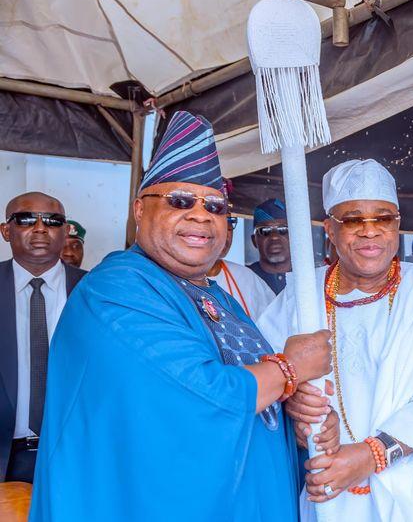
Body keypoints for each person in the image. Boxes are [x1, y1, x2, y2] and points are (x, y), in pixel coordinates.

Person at [29, 111, 336, 521]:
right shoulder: (117, 289)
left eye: (215, 206)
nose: (200, 215)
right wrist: (290, 369)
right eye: (179, 201)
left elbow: (257, 402)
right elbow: (200, 394)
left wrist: (298, 425)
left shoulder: (218, 298)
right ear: (140, 210)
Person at [257, 158, 413, 522]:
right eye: (353, 219)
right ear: (330, 228)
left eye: (383, 218)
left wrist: (372, 454)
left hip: (412, 495)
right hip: (328, 490)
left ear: (398, 224)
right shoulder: (300, 297)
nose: (369, 231)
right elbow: (263, 375)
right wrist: (292, 406)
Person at [0, 193, 86, 483]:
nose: (40, 228)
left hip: (78, 451)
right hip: (7, 456)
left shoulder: (96, 289)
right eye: (26, 219)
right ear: (6, 230)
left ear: (64, 232)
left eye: (52, 221)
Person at [208, 214, 276, 320]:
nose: (225, 234)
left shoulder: (247, 277)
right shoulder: (174, 282)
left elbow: (275, 327)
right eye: (213, 223)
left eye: (229, 224)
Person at [249, 198, 291, 295]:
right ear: (254, 240)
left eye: (283, 229)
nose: (274, 237)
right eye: (265, 231)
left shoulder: (309, 277)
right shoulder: (242, 279)